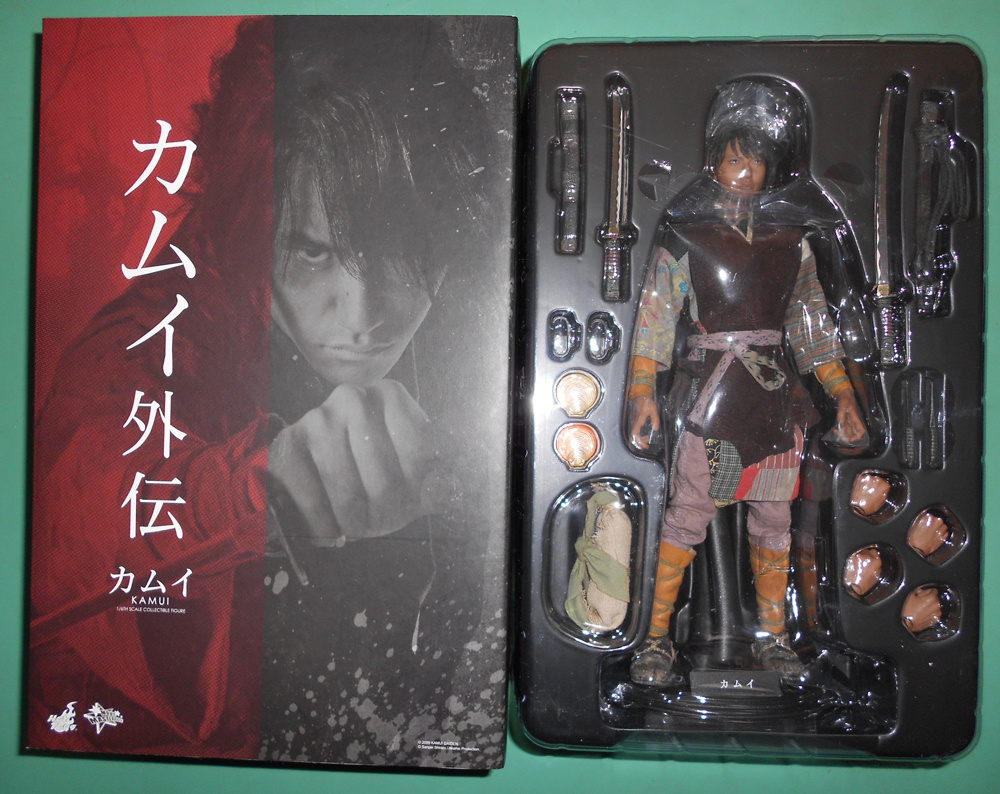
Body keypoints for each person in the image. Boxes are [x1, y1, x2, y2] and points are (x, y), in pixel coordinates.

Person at [29, 16, 510, 763]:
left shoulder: (473, 279)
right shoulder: (160, 329)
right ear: (253, 226)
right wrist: (257, 493)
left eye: (403, 252)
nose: (365, 318)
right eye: (313, 253)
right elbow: (80, 514)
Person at [626, 77, 866, 687]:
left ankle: (775, 639)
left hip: (774, 406)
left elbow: (811, 325)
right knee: (688, 516)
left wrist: (842, 392)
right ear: (715, 162)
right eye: (735, 159)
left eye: (756, 161)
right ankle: (655, 640)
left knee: (775, 521)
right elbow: (656, 317)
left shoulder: (792, 242)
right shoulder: (688, 235)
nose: (745, 172)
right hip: (714, 400)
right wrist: (641, 389)